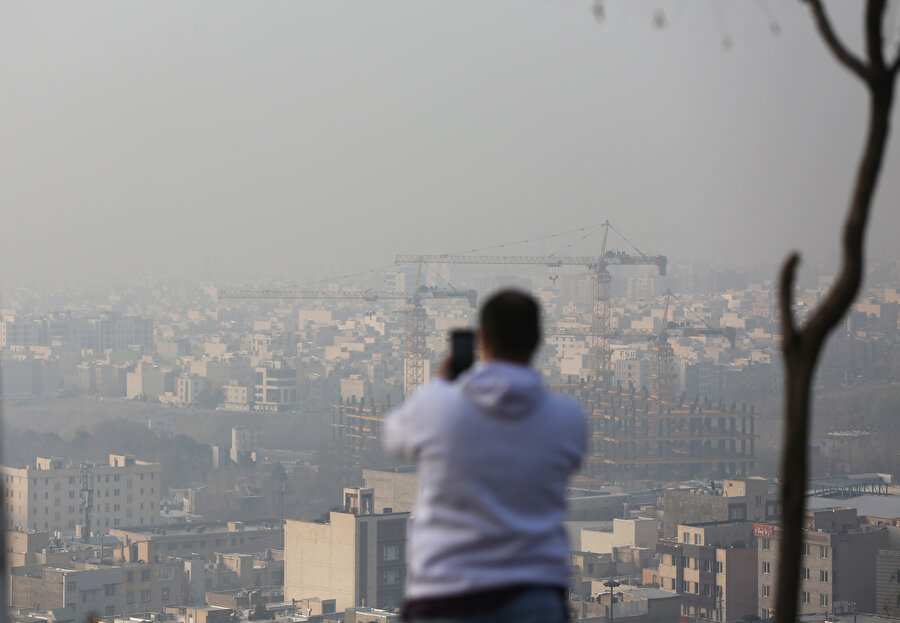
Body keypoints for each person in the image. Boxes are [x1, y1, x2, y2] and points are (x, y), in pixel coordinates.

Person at [384, 289, 587, 623]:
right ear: (538, 340)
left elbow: (394, 437)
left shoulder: (439, 407)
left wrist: (441, 385)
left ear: (483, 339)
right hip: (534, 596)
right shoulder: (568, 419)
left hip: (445, 595)